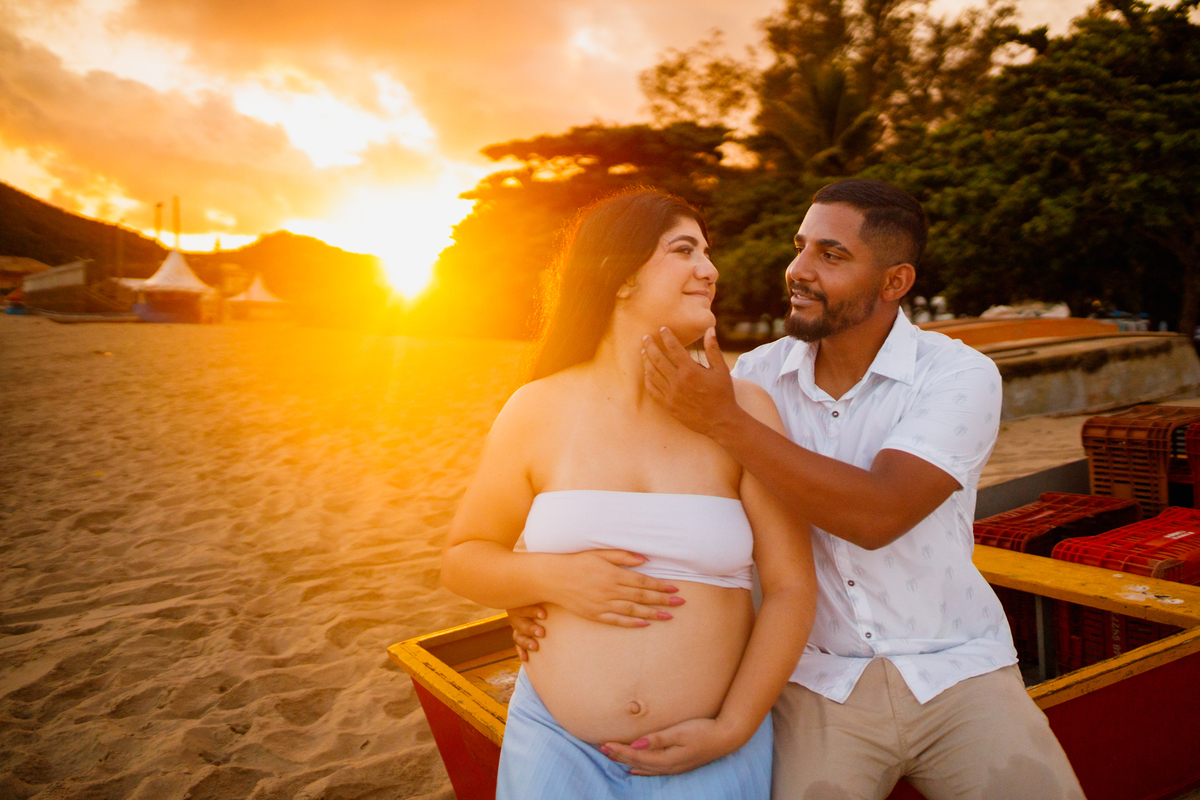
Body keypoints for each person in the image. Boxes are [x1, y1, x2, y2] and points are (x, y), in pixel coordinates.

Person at [518, 179, 1086, 799]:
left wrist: (725, 423)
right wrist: (543, 588)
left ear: (894, 282)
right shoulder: (754, 376)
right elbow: (629, 484)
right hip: (815, 679)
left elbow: (879, 514)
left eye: (831, 255)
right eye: (801, 247)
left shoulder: (956, 375)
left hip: (956, 665)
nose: (799, 270)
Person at [440, 190, 817, 799]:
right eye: (683, 250)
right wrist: (552, 580)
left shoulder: (743, 411)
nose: (710, 269)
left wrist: (733, 728)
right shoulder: (536, 409)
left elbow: (792, 588)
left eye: (707, 252)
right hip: (556, 750)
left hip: (708, 753)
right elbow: (464, 558)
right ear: (619, 277)